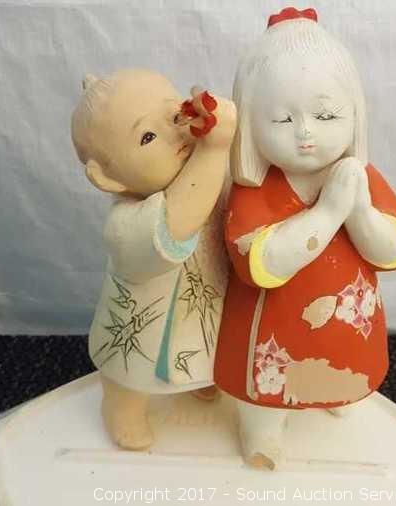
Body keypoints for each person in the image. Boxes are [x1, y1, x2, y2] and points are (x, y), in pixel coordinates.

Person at [214, 7, 396, 469]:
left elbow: (394, 251)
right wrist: (328, 212)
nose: (306, 133)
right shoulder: (254, 190)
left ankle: (333, 389)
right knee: (264, 385)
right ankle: (261, 429)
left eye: (325, 115)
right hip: (272, 325)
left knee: (341, 362)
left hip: (344, 319)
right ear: (250, 125)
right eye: (282, 120)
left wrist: (359, 210)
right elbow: (259, 264)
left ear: (354, 113)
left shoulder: (360, 177)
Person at [71, 69, 236, 450]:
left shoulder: (207, 171)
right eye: (147, 136)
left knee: (208, 346)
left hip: (207, 302)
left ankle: (200, 377)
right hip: (145, 328)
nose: (176, 133)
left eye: (175, 115)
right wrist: (214, 149)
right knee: (131, 375)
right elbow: (178, 221)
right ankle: (121, 409)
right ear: (107, 178)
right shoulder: (125, 224)